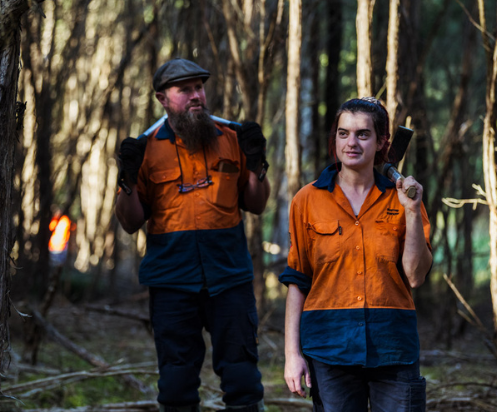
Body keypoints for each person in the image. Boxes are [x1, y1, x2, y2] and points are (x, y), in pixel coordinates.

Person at [115, 58, 271, 412]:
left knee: (244, 381)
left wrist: (257, 165)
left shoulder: (232, 139)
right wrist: (126, 180)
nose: (196, 95)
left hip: (229, 277)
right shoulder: (146, 148)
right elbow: (129, 222)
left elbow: (257, 205)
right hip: (172, 281)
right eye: (184, 89)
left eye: (199, 87)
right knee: (176, 386)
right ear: (162, 99)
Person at [279, 97, 432, 412]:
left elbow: (416, 276)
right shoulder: (306, 200)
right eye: (343, 133)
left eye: (363, 134)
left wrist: (413, 213)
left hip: (393, 345)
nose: (351, 142)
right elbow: (298, 280)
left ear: (381, 144)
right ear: (334, 138)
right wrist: (292, 355)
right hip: (328, 345)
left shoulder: (404, 199)